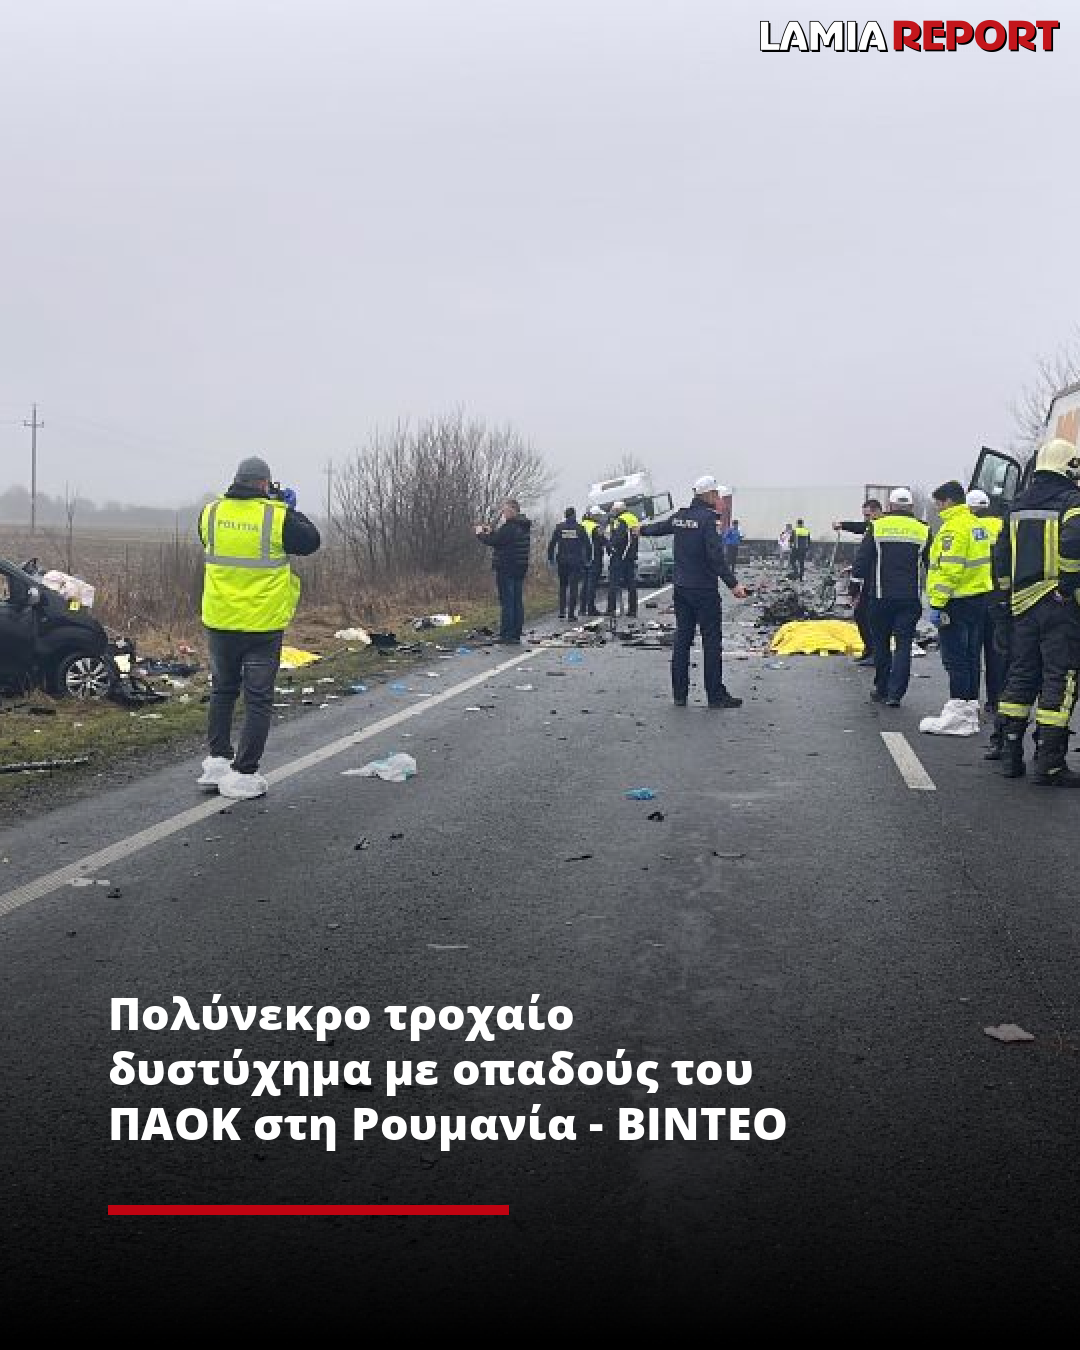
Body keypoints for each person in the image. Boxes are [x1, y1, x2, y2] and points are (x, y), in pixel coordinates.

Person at [196, 456, 321, 800]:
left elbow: (209, 542)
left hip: (220, 620)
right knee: (258, 698)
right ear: (265, 483)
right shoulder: (277, 517)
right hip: (261, 625)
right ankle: (243, 772)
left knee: (222, 690)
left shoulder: (210, 513)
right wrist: (289, 509)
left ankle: (217, 761)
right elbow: (311, 541)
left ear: (236, 480)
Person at [993, 437, 1080, 785]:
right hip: (1060, 607)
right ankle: (1050, 763)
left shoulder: (1017, 504)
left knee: (1021, 675)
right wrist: (1067, 587)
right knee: (1060, 678)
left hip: (1022, 605)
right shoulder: (1072, 502)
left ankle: (1010, 754)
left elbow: (1001, 556)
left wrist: (1005, 599)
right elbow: (1073, 544)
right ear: (1070, 467)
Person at [638, 475, 749, 708]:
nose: (719, 499)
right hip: (704, 590)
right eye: (716, 494)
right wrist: (733, 584)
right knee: (711, 642)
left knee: (682, 640)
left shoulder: (681, 516)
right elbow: (715, 556)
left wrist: (641, 530)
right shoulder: (709, 520)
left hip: (681, 588)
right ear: (709, 495)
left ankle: (679, 694)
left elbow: (660, 528)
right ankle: (715, 696)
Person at [918, 481, 994, 737]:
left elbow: (949, 570)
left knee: (955, 659)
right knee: (971, 657)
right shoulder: (976, 525)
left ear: (948, 501)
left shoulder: (954, 528)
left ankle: (958, 715)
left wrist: (937, 604)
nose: (937, 508)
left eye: (939, 503)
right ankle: (970, 710)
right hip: (978, 599)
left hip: (955, 602)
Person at [850, 487, 930, 708]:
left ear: (890, 506)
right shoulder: (923, 529)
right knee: (903, 645)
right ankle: (896, 694)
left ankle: (882, 688)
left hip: (880, 596)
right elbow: (931, 565)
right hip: (909, 598)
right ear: (911, 506)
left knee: (881, 643)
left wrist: (854, 590)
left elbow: (862, 561)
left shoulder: (877, 526)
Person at [966, 489, 1008, 719]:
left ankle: (970, 700)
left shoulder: (968, 527)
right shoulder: (1003, 525)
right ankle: (996, 700)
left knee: (971, 653)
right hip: (999, 597)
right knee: (997, 653)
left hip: (974, 597)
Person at [833, 500, 884, 667]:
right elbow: (860, 527)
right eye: (865, 516)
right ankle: (870, 650)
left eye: (868, 515)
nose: (866, 519)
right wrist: (843, 525)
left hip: (878, 580)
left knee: (868, 616)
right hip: (870, 578)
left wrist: (854, 582)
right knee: (862, 614)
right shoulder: (873, 526)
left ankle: (875, 653)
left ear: (878, 511)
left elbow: (869, 556)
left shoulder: (882, 528)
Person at [476, 499, 532, 645]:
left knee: (507, 602)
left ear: (513, 510)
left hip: (507, 567)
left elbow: (495, 541)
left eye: (505, 510)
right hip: (519, 567)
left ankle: (507, 634)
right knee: (517, 601)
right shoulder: (523, 526)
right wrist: (492, 532)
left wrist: (480, 534)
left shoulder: (510, 527)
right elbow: (503, 540)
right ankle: (516, 633)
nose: (503, 514)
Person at [546, 506, 589, 621]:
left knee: (563, 586)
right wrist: (587, 560)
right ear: (574, 515)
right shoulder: (580, 528)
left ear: (565, 515)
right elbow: (587, 545)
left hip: (562, 561)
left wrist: (550, 558)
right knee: (573, 587)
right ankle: (571, 614)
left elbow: (552, 544)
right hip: (575, 562)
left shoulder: (559, 528)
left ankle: (561, 612)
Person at [606, 500, 640, 618]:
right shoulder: (633, 518)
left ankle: (611, 609)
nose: (613, 512)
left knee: (613, 583)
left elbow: (618, 538)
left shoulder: (621, 520)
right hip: (630, 556)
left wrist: (610, 546)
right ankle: (633, 610)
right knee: (631, 584)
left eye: (614, 510)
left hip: (620, 556)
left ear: (618, 510)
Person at [580, 509, 607, 616]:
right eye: (599, 516)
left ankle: (582, 609)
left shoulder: (581, 524)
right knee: (592, 585)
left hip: (582, 559)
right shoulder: (595, 527)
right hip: (594, 558)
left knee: (585, 584)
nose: (600, 518)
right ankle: (591, 608)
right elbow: (603, 540)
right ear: (594, 516)